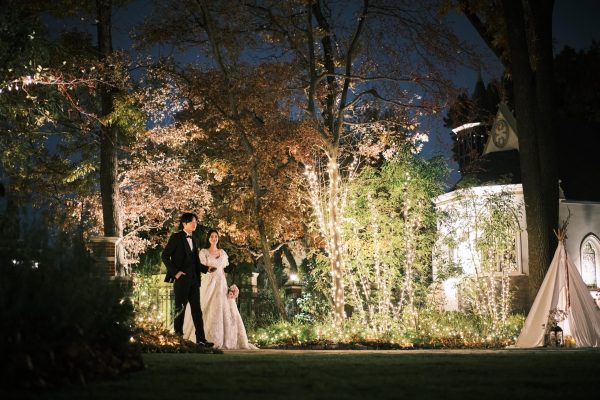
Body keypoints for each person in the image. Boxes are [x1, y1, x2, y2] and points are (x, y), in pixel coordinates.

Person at [183, 229, 257, 350]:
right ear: (208, 238)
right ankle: (204, 338)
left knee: (226, 310)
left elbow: (222, 271)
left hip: (221, 284)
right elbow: (201, 268)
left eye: (216, 236)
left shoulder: (222, 253)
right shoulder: (204, 252)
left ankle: (226, 339)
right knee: (204, 307)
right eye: (212, 236)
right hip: (208, 283)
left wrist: (228, 287)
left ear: (218, 238)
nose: (214, 238)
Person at [162, 213, 213, 347]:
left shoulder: (194, 239)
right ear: (184, 223)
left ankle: (201, 340)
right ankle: (178, 339)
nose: (195, 224)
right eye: (192, 222)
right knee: (180, 310)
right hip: (182, 280)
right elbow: (165, 256)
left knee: (197, 311)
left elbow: (194, 261)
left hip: (194, 280)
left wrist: (206, 268)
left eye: (196, 222)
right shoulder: (176, 237)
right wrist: (175, 273)